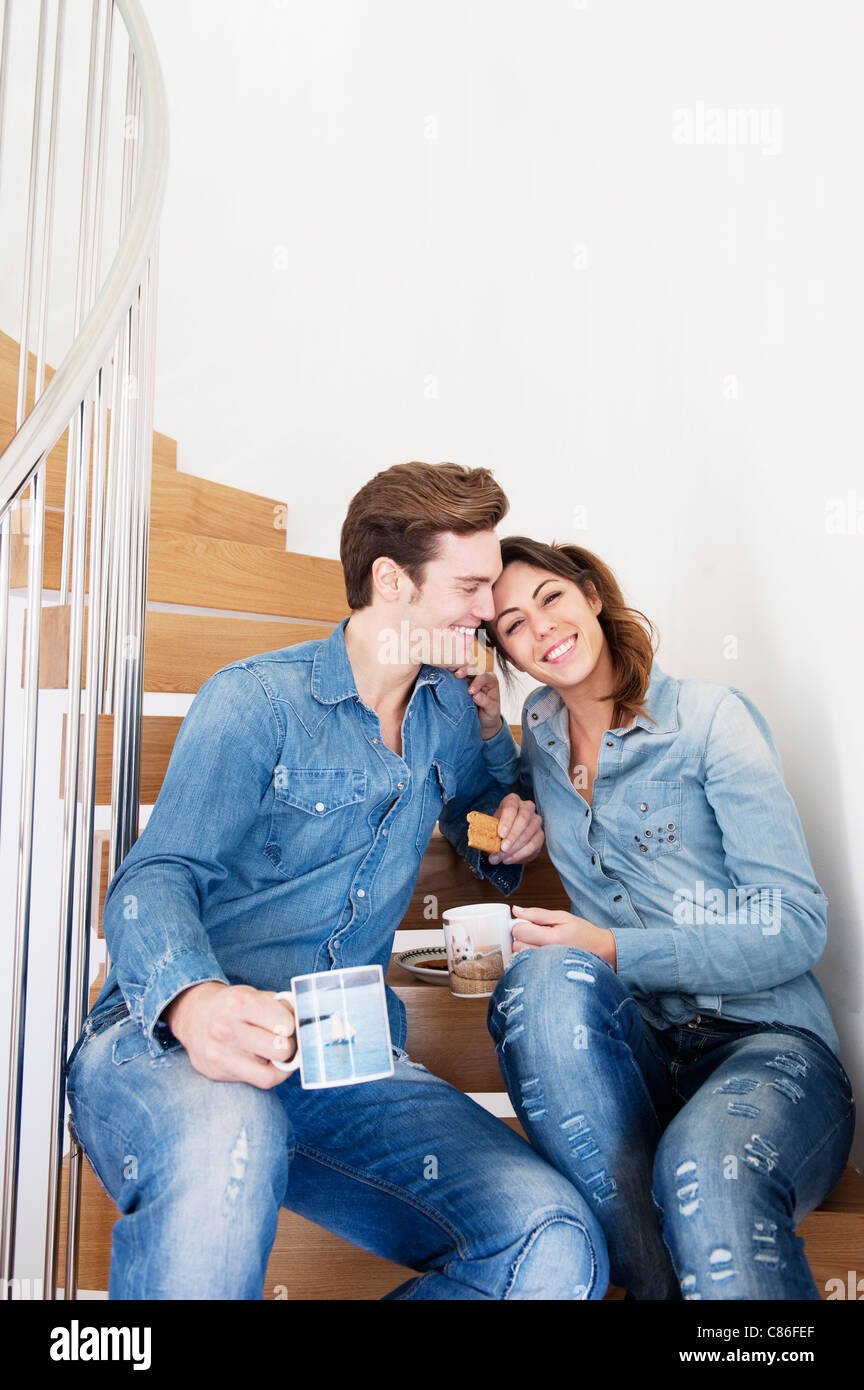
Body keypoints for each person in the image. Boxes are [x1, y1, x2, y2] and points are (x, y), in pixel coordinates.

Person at [63, 465, 611, 1300]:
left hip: (339, 1049)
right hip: (175, 1038)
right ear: (391, 581)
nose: (487, 613)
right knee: (227, 1136)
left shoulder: (447, 711)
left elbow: (474, 821)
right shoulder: (256, 702)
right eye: (470, 587)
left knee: (553, 1238)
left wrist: (505, 825)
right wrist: (195, 1000)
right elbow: (154, 877)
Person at [472, 535, 855, 1300]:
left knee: (702, 1167)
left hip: (766, 1045)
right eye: (512, 624)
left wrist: (615, 950)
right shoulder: (539, 733)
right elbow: (486, 821)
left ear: (591, 594)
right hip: (639, 1054)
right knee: (538, 981)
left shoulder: (710, 718)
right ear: (509, 655)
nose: (541, 626)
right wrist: (490, 756)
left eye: (550, 597)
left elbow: (792, 924)